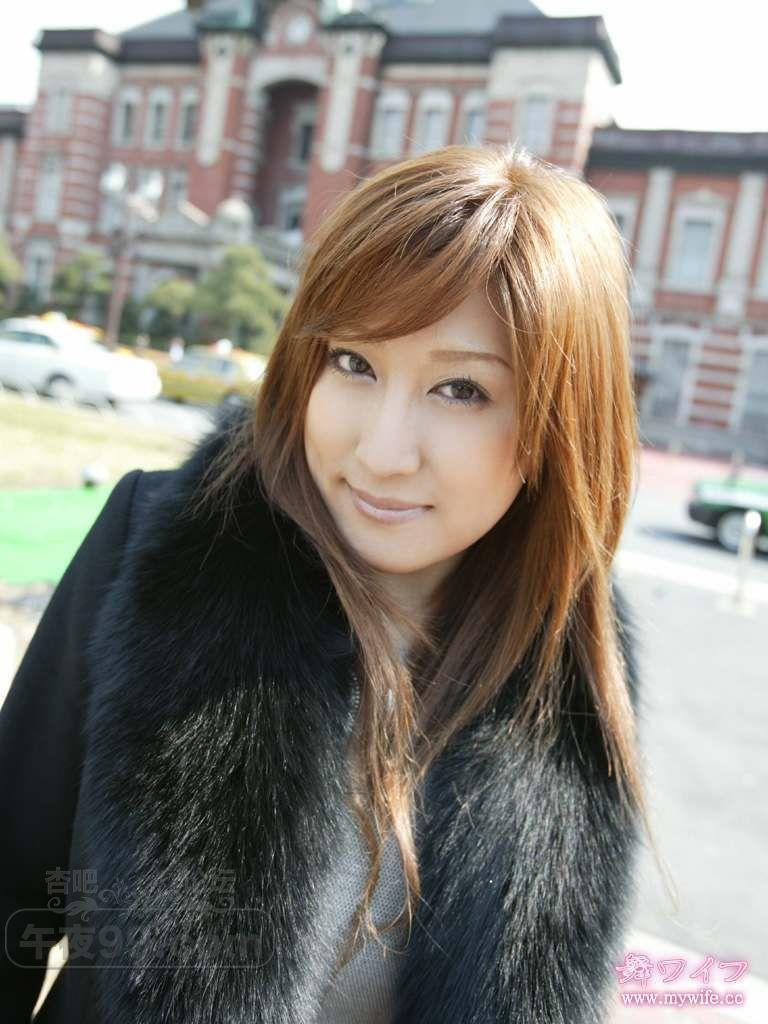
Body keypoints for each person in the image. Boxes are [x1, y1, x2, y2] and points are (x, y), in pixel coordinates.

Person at [0, 144, 658, 1023]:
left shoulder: (569, 665)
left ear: (556, 423)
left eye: (461, 390)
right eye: (354, 363)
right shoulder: (169, 551)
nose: (382, 453)